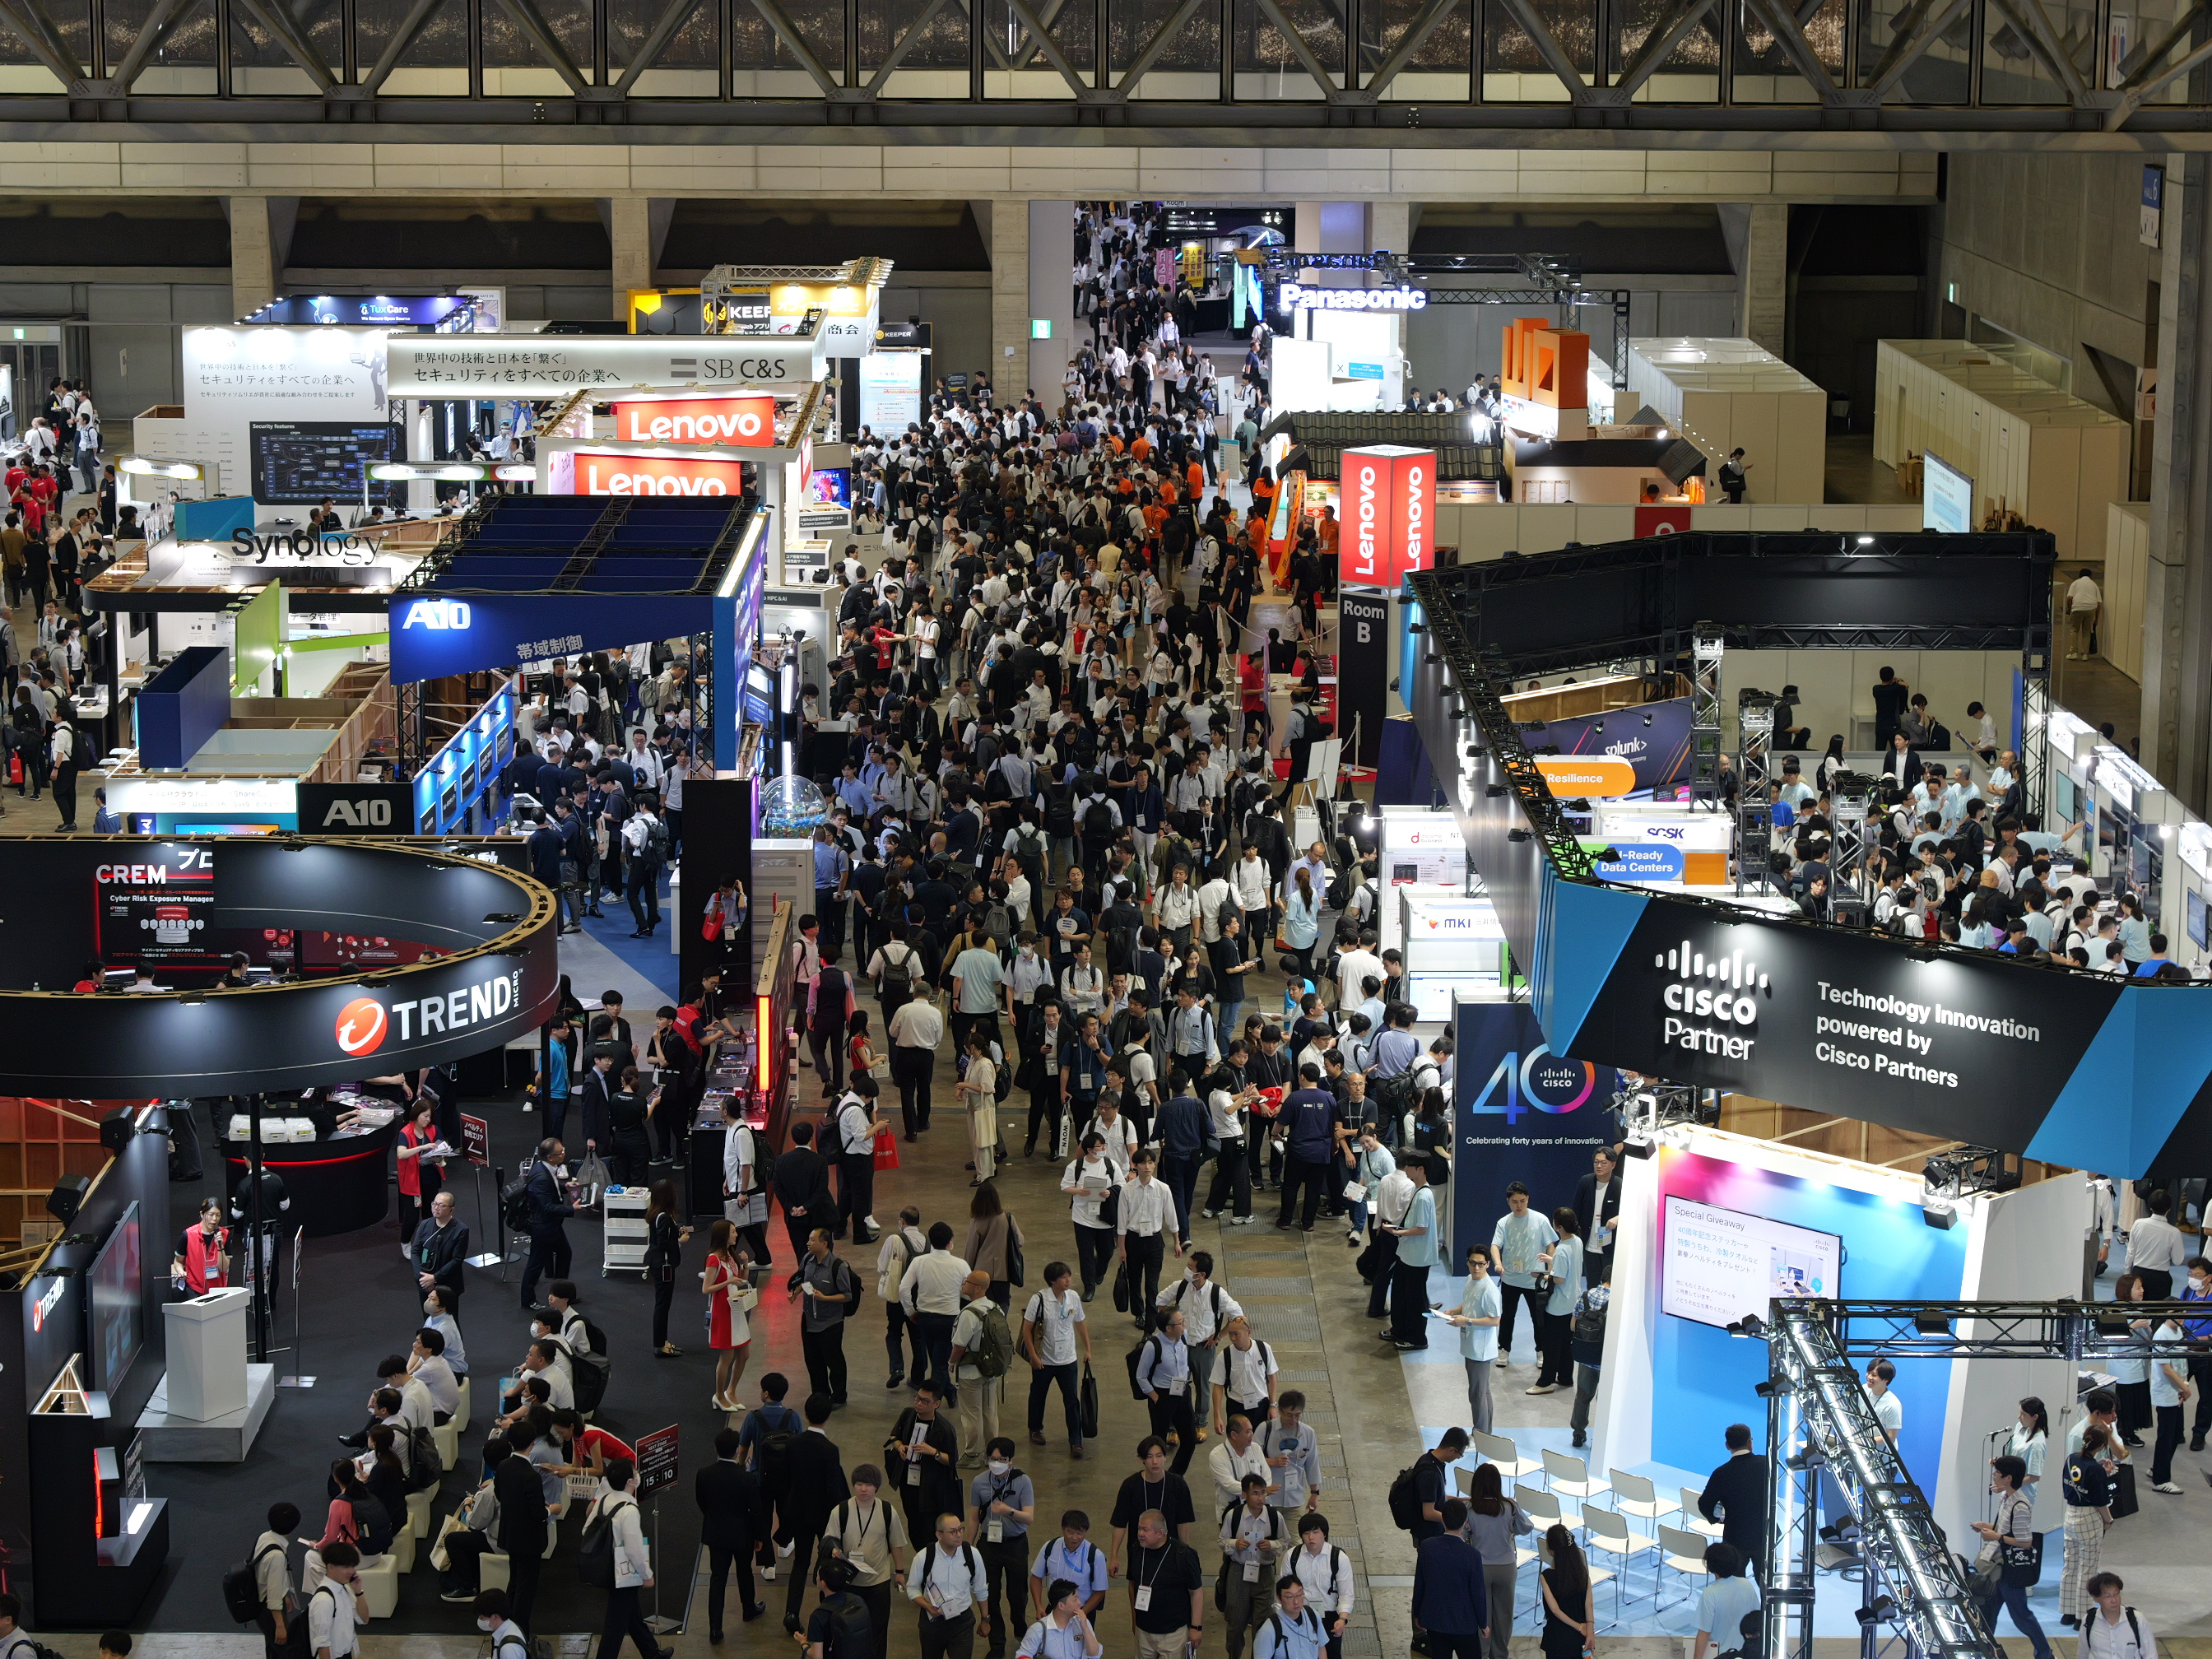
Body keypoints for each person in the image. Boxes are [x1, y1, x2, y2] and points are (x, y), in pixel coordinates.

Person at [823, 1463, 913, 1651]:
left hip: (878, 1583)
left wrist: (899, 1572)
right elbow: (830, 1540)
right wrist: (834, 1550)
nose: (863, 1489)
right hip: (849, 1582)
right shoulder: (840, 1511)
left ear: (876, 1487)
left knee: (877, 1633)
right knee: (848, 1631)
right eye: (859, 1484)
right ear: (853, 1485)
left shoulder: (887, 1511)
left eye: (868, 1485)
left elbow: (896, 1544)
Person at [588, 1457, 672, 1659]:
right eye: (635, 1472)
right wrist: (646, 1575)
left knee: (632, 1614)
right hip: (624, 1573)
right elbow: (634, 1551)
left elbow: (587, 1530)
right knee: (615, 1625)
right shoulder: (629, 1511)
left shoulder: (603, 1501)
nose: (637, 1474)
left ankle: (651, 1653)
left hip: (606, 1568)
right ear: (630, 1481)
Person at [1970, 1456, 2052, 1659]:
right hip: (1999, 1568)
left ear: (2008, 1478)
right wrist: (1986, 1526)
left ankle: (2045, 1653)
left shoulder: (2021, 1506)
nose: (1994, 1476)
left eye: (1997, 1473)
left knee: (2021, 1617)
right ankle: (1986, 1650)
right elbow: (2004, 1527)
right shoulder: (2006, 1498)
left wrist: (1996, 1537)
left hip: (2009, 1570)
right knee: (1989, 1613)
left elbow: (2025, 1542)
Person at [970, 1435, 1034, 1659]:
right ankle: (997, 1644)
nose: (996, 1463)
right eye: (992, 1459)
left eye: (1002, 1459)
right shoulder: (979, 1482)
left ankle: (1020, 1628)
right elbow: (974, 1518)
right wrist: (967, 1548)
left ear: (1011, 1460)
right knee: (990, 1595)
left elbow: (1029, 1517)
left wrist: (1008, 1511)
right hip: (989, 1545)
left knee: (1018, 1595)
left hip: (1015, 1544)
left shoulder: (1023, 1481)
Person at [1021, 1260, 1090, 1457]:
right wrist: (1034, 1356)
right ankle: (1035, 1428)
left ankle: (1076, 1441)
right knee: (1038, 1395)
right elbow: (1027, 1330)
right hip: (1044, 1360)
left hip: (1068, 1359)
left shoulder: (1073, 1297)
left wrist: (1088, 1349)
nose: (1068, 1280)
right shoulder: (1039, 1299)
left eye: (1068, 1276)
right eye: (1063, 1277)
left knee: (1072, 1400)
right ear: (1053, 1280)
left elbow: (1080, 1322)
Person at [1462, 1469, 1529, 1659]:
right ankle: (1500, 1654)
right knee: (1504, 1616)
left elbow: (1463, 1534)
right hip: (1506, 1568)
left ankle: (1482, 1653)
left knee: (1481, 1615)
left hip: (1480, 1568)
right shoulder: (1509, 1506)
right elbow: (1526, 1527)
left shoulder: (1469, 1508)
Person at [1409, 1497, 1488, 1659]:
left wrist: (1418, 1613)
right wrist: (1483, 1623)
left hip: (1435, 1622)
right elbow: (1477, 1593)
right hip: (1464, 1625)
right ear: (1465, 1522)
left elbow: (1420, 1585)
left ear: (1442, 1520)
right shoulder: (1472, 1555)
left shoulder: (1427, 1548)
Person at [1124, 1508, 1206, 1659]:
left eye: (1145, 1530)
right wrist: (1135, 1619)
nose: (1140, 1533)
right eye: (1139, 1528)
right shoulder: (1136, 1550)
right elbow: (1132, 1585)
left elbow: (1196, 1592)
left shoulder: (1183, 1555)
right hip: (1143, 1632)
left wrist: (1196, 1627)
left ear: (1160, 1533)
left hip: (1172, 1634)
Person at [792, 1227, 859, 1407]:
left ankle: (839, 1396)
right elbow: (803, 1280)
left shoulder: (838, 1267)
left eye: (812, 1240)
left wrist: (824, 1298)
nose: (808, 1243)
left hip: (831, 1323)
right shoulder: (807, 1259)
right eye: (809, 1239)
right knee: (812, 1360)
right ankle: (820, 1394)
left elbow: (847, 1295)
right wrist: (795, 1293)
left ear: (824, 1244)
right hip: (809, 1320)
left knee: (834, 1361)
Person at [911, 1512, 992, 1659]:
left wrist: (985, 1619)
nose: (959, 1535)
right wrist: (927, 1606)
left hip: (962, 1623)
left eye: (960, 1529)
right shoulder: (924, 1557)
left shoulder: (972, 1555)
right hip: (933, 1623)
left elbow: (981, 1589)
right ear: (939, 1535)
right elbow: (912, 1589)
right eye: (953, 1532)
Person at [2060, 1424, 2117, 1628]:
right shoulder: (2096, 1470)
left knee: (2070, 1565)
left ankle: (2067, 1613)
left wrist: (2099, 1470)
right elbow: (2100, 1501)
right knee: (2088, 1568)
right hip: (2088, 1519)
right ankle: (2082, 1617)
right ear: (2101, 1446)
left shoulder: (2071, 1459)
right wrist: (2108, 1521)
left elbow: (2079, 1479)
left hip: (2070, 1515)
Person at [952, 1269, 1011, 1458]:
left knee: (971, 1415)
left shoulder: (970, 1313)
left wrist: (952, 1362)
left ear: (977, 1288)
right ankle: (992, 1454)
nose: (963, 1284)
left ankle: (972, 1455)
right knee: (990, 1413)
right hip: (991, 1370)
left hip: (971, 1373)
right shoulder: (996, 1308)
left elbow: (959, 1346)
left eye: (967, 1281)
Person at [1698, 1424, 1768, 1578]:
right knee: (1767, 1583)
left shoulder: (1721, 1473)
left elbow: (1704, 1504)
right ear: (1750, 1442)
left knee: (1734, 1583)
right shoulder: (1766, 1464)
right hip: (1765, 1535)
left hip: (1735, 1538)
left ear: (1727, 1445)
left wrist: (1717, 1518)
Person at [1444, 1245, 1501, 1434]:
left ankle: (1480, 1435)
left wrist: (1467, 1321)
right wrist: (1455, 1311)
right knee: (1482, 1392)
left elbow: (1495, 1320)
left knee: (1477, 1395)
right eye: (1473, 1263)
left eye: (1481, 1264)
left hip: (1480, 1349)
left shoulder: (1489, 1290)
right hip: (1471, 1344)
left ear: (1488, 1264)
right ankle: (1485, 1433)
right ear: (1467, 1262)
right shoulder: (1471, 1279)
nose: (1476, 1268)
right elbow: (1470, 1301)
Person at [1134, 1308, 1198, 1475]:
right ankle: (1156, 1475)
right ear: (1168, 1328)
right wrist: (1155, 1397)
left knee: (1190, 1440)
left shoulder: (1183, 1337)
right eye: (1180, 1323)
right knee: (1158, 1442)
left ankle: (1175, 1475)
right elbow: (1141, 1376)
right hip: (1162, 1397)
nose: (1184, 1325)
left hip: (1182, 1393)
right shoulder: (1153, 1346)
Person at [1385, 1159, 1438, 1350]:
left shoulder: (1424, 1196)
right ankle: (1399, 1330)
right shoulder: (1417, 1190)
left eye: (1409, 1166)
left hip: (1418, 1257)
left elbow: (1421, 1229)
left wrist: (1398, 1232)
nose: (1405, 1169)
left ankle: (1417, 1339)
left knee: (1415, 1300)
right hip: (1407, 1253)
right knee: (1400, 1294)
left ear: (1421, 1169)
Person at [518, 1138, 576, 1313]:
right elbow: (547, 1207)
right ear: (550, 1157)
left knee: (565, 1254)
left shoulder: (544, 1168)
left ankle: (561, 1294)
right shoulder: (542, 1177)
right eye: (561, 1152)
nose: (564, 1154)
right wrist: (571, 1209)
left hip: (551, 1226)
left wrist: (565, 1187)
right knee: (536, 1263)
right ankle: (528, 1300)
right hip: (543, 1227)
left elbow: (551, 1189)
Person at [703, 1219, 755, 1410]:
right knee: (726, 1357)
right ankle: (719, 1395)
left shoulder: (730, 1255)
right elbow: (706, 1289)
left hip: (736, 1309)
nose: (736, 1235)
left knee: (744, 1354)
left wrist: (746, 1264)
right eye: (733, 1232)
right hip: (723, 1311)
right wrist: (727, 1282)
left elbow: (741, 1279)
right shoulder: (713, 1259)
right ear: (724, 1235)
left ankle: (731, 1391)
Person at [645, 1178, 691, 1358]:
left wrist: (676, 1231)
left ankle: (662, 1341)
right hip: (662, 1266)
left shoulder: (656, 1212)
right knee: (662, 1305)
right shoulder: (664, 1216)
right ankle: (660, 1344)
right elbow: (663, 1243)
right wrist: (680, 1240)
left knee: (663, 1304)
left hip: (658, 1263)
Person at [1690, 1543, 1760, 1659]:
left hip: (1719, 1654)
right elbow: (1756, 1620)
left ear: (1710, 1566)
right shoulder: (1746, 1584)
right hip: (1745, 1653)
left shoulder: (1710, 1593)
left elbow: (1704, 1633)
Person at [250, 1501, 301, 1659]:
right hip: (270, 1612)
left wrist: (283, 1595)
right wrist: (280, 1625)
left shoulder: (265, 1537)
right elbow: (273, 1597)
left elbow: (268, 1577)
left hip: (260, 1603)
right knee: (285, 1651)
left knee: (273, 1649)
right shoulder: (277, 1556)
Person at [2148, 1311, 2191, 1492]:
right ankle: (2161, 1480)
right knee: (2166, 1437)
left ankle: (2157, 1468)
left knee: (2175, 1435)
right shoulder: (2162, 1335)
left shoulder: (2179, 1330)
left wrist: (2184, 1385)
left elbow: (2182, 1361)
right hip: (2166, 1393)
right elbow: (2166, 1368)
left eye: (2183, 1314)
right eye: (2177, 1314)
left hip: (2177, 1391)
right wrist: (2184, 1389)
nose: (2181, 1317)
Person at [411, 1188, 471, 1313]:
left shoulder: (461, 1230)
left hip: (447, 1283)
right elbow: (415, 1251)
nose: (436, 1208)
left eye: (442, 1205)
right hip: (424, 1281)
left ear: (451, 1210)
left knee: (448, 1318)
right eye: (434, 1204)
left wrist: (434, 1278)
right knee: (428, 1317)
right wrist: (422, 1278)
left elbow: (457, 1260)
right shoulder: (425, 1224)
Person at [1537, 1524, 1592, 1659]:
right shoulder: (1583, 1573)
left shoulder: (1546, 1576)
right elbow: (1589, 1605)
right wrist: (1589, 1631)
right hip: (1579, 1639)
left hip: (1557, 1638)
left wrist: (1579, 1627)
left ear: (1551, 1551)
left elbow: (1555, 1610)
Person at [1016, 1575, 1103, 1659]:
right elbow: (1022, 1655)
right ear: (1061, 1606)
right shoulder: (1038, 1629)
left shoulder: (1083, 1623)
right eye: (1075, 1599)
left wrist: (1086, 1629)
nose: (1079, 1603)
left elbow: (1095, 1655)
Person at [806, 1559, 877, 1659]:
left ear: (823, 1583)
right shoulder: (857, 1600)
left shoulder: (818, 1616)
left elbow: (817, 1656)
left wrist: (803, 1644)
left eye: (818, 1575)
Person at [305, 1543, 366, 1659]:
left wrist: (358, 1592)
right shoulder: (323, 1600)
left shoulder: (344, 1589)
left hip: (346, 1653)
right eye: (346, 1567)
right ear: (330, 1567)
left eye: (352, 1566)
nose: (351, 1571)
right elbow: (322, 1643)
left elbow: (364, 1619)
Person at [2079, 1573, 2156, 1659]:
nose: (2114, 1600)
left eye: (2116, 1594)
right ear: (2096, 1598)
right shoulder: (2089, 1621)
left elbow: (2151, 1655)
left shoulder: (2137, 1619)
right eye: (2108, 1596)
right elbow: (2083, 1655)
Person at [173, 1195, 230, 1292]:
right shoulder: (188, 1235)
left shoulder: (225, 1235)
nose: (215, 1219)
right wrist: (180, 1271)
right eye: (211, 1214)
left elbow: (223, 1268)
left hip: (217, 1290)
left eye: (218, 1215)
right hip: (194, 1289)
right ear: (202, 1214)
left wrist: (220, 1247)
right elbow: (178, 1261)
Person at [2067, 566, 2103, 659]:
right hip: (2091, 608)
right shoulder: (2094, 585)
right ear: (2091, 576)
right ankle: (2085, 654)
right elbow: (2099, 603)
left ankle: (2073, 653)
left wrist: (2069, 609)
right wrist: (2096, 619)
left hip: (2077, 608)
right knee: (2087, 631)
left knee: (2074, 630)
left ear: (2079, 575)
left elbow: (2070, 598)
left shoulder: (2075, 583)